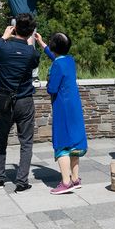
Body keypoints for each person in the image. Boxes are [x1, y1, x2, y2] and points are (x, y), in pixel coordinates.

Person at [0, 15, 41, 191]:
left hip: (5, 101)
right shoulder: (32, 53)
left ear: (14, 28)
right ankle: (22, 181)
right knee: (26, 142)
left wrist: (3, 36)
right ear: (32, 32)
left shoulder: (2, 48)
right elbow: (34, 64)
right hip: (25, 101)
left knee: (0, 140)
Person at [35, 32, 87, 195]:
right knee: (74, 143)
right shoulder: (69, 60)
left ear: (54, 46)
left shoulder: (57, 65)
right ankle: (75, 179)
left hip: (62, 107)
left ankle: (65, 183)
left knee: (62, 142)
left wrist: (48, 80)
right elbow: (56, 57)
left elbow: (52, 88)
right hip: (74, 106)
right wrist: (42, 43)